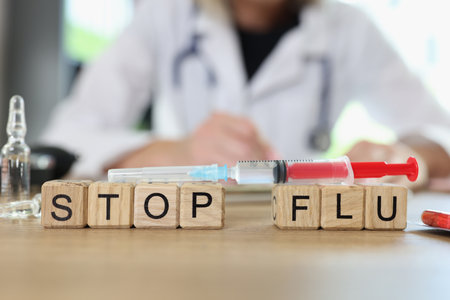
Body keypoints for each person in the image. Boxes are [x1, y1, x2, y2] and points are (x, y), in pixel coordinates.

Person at [41, 0, 450, 188]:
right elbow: (63, 139)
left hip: (299, 243)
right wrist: (167, 153)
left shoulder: (350, 27)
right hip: (188, 237)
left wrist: (405, 154)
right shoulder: (165, 15)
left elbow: (438, 131)